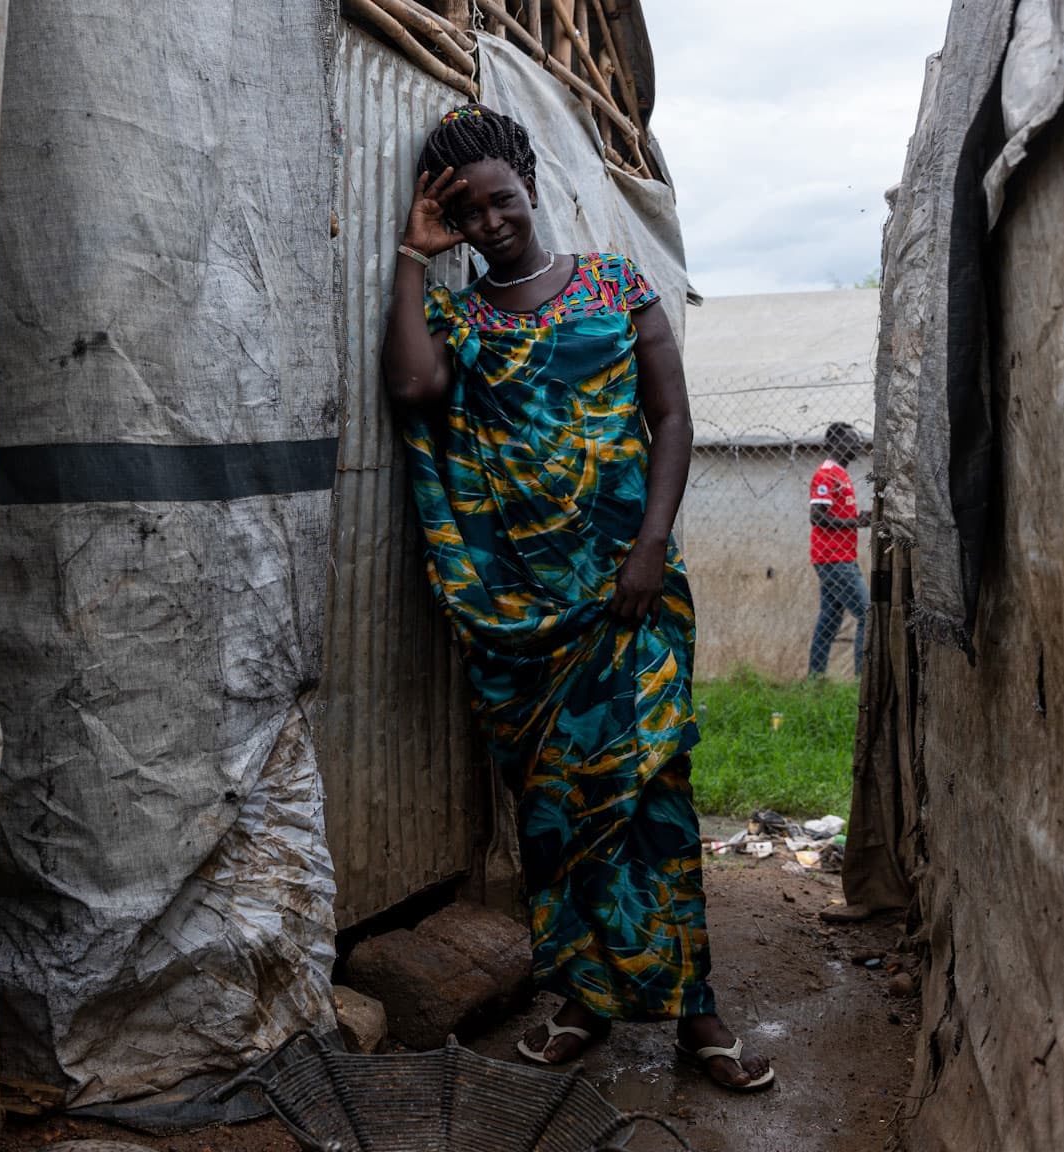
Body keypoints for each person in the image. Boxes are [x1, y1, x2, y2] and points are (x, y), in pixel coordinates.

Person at [380, 104, 773, 1092]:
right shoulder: (458, 319)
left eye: (499, 199)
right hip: (522, 619)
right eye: (463, 214)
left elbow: (671, 416)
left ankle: (697, 1012)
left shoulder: (612, 285)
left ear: (532, 185)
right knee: (553, 813)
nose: (488, 222)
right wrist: (410, 254)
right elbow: (412, 389)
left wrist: (649, 545)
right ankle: (585, 1002)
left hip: (628, 595)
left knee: (652, 798)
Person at [807, 423, 872, 678]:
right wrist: (856, 521)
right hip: (833, 559)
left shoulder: (841, 474)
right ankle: (862, 679)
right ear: (835, 443)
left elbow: (834, 515)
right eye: (851, 440)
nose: (857, 445)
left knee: (829, 620)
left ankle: (815, 679)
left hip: (841, 556)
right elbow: (817, 517)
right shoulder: (826, 475)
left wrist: (857, 517)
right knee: (868, 614)